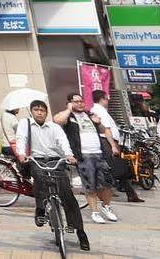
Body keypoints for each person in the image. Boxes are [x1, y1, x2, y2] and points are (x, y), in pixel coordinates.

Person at [17, 98, 89, 252]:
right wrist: (21, 154)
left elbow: (63, 141)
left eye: (42, 110)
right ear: (31, 112)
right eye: (36, 109)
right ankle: (40, 209)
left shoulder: (54, 127)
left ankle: (80, 231)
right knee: (40, 179)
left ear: (46, 113)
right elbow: (21, 139)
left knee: (66, 192)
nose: (39, 112)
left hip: (56, 160)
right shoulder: (26, 124)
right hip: (36, 159)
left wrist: (69, 155)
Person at [53, 94, 117, 224]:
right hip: (83, 155)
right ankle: (95, 212)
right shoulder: (68, 116)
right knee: (90, 185)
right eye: (76, 102)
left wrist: (111, 143)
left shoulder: (90, 114)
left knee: (107, 184)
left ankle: (106, 206)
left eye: (81, 101)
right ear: (70, 103)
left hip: (99, 153)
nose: (80, 104)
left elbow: (104, 130)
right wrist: (68, 110)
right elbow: (57, 121)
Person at [87, 88, 142, 204]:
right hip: (106, 142)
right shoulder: (99, 111)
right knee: (115, 167)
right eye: (106, 99)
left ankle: (130, 193)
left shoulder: (100, 110)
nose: (107, 101)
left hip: (109, 141)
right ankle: (108, 190)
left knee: (118, 167)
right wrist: (113, 145)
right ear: (102, 99)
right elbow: (106, 129)